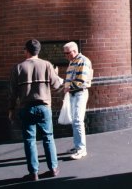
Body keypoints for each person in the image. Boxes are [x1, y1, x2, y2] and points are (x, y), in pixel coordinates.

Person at [8, 39, 62, 181]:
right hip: (44, 107)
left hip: (26, 108)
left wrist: (11, 109)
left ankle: (34, 173)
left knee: (29, 140)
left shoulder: (18, 68)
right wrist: (55, 73)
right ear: (38, 51)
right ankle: (53, 168)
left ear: (27, 50)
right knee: (48, 138)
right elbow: (56, 85)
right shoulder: (47, 65)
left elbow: (12, 92)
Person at [63, 41, 93, 160]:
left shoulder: (83, 60)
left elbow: (82, 80)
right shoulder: (73, 61)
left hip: (79, 93)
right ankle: (77, 146)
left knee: (77, 121)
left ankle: (81, 149)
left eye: (67, 53)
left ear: (74, 51)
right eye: (64, 53)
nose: (66, 55)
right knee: (75, 121)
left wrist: (68, 87)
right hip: (73, 93)